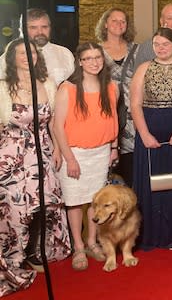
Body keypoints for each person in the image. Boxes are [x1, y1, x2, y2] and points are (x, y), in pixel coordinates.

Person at [0, 39, 70, 295]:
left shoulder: (47, 84)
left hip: (42, 153)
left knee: (42, 204)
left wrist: (58, 150)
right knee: (15, 209)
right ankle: (13, 257)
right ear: (11, 57)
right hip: (11, 157)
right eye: (21, 53)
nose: (27, 57)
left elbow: (53, 124)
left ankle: (34, 251)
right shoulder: (3, 87)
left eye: (31, 53)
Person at [130, 27, 172, 250]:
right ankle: (152, 236)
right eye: (156, 44)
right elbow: (135, 104)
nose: (160, 49)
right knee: (151, 185)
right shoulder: (143, 68)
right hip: (149, 133)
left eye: (165, 44)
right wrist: (144, 134)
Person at [53, 42, 119, 271]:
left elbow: (113, 119)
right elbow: (57, 126)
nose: (94, 62)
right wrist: (69, 157)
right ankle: (78, 246)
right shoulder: (68, 88)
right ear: (80, 62)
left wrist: (114, 147)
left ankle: (92, 241)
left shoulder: (110, 86)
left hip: (101, 152)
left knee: (94, 200)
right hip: (76, 152)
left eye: (97, 57)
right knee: (74, 201)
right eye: (88, 58)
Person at [95, 8, 138, 186]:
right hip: (104, 112)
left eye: (123, 21)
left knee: (131, 166)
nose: (119, 24)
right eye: (114, 20)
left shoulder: (137, 50)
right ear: (105, 24)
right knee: (105, 167)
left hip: (131, 116)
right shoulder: (95, 51)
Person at [0, 8, 74, 86]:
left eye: (44, 27)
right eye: (33, 28)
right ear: (22, 30)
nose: (40, 32)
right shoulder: (9, 57)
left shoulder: (65, 54)